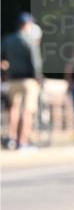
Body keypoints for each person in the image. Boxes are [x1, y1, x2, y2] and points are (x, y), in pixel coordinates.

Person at [1, 12, 43, 150]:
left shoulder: (8, 39)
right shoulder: (30, 40)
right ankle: (23, 142)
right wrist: (38, 78)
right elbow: (36, 63)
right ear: (27, 24)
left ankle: (11, 138)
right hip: (28, 80)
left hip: (12, 79)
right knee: (27, 111)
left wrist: (5, 71)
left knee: (13, 109)